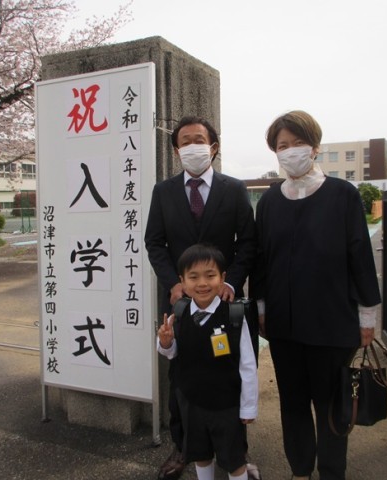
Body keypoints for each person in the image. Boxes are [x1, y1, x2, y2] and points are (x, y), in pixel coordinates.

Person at [252, 110, 381, 480]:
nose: (291, 151)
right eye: (283, 145)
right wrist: (261, 307)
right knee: (292, 403)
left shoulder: (343, 195)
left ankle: (331, 471)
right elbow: (261, 260)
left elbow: (359, 256)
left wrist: (367, 316)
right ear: (275, 152)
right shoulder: (270, 202)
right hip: (284, 324)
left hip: (332, 323)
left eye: (298, 143)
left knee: (331, 404)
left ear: (315, 146)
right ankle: (300, 470)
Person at [145, 116, 259, 480]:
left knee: (232, 368)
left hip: (225, 299)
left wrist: (232, 282)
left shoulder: (234, 189)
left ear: (213, 147)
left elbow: (248, 242)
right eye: (185, 141)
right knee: (181, 374)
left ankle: (236, 449)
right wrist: (173, 284)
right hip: (182, 298)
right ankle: (184, 447)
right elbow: (154, 242)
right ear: (176, 151)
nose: (192, 146)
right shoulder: (163, 192)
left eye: (199, 139)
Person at [156, 244, 258, 480]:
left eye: (210, 275)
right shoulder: (179, 312)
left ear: (222, 278)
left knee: (234, 461)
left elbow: (247, 365)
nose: (202, 283)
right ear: (182, 281)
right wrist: (165, 342)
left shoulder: (233, 316)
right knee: (200, 454)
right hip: (192, 403)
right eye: (193, 277)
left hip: (227, 406)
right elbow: (172, 353)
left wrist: (249, 406)